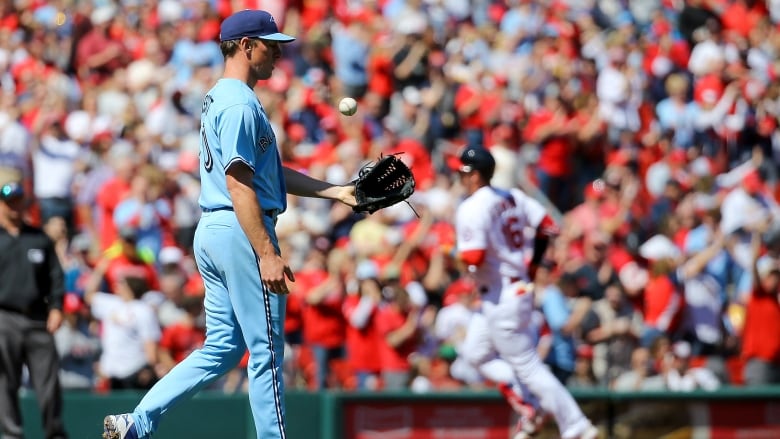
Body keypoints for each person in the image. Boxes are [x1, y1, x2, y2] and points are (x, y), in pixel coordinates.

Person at [102, 9, 357, 439]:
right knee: (268, 352)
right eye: (270, 45)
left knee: (222, 348)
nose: (277, 54)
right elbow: (240, 186)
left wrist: (338, 191)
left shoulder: (223, 97)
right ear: (246, 46)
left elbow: (269, 172)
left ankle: (137, 422)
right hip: (241, 228)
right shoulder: (240, 104)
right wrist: (267, 253)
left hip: (216, 229)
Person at [453, 147, 598, 439]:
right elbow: (547, 226)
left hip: (500, 295)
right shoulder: (512, 196)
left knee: (529, 367)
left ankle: (575, 424)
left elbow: (474, 257)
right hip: (512, 289)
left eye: (463, 171)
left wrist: (453, 257)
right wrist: (532, 265)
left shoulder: (471, 206)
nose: (459, 176)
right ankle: (531, 408)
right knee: (474, 354)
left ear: (475, 175)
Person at [0, 167, 68, 439]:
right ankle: (10, 434)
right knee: (5, 382)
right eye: (9, 199)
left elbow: (56, 276)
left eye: (20, 199)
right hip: (4, 317)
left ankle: (55, 433)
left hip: (39, 318)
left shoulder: (38, 238)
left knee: (49, 384)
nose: (16, 205)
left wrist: (56, 307)